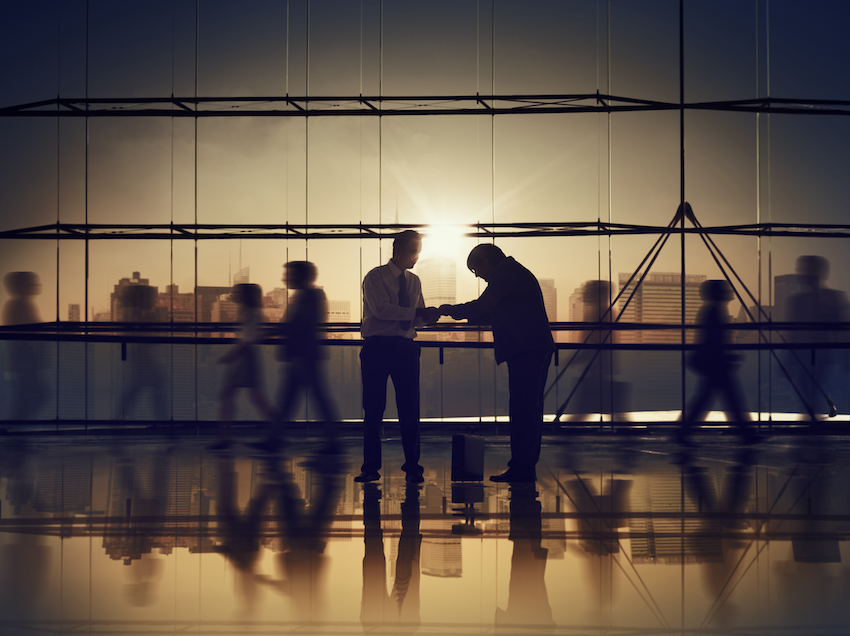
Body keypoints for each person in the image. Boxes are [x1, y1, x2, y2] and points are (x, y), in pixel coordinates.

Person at [440, 244, 555, 482]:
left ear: (487, 261)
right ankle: (524, 466)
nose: (478, 276)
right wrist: (453, 313)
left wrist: (451, 310)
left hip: (527, 349)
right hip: (530, 348)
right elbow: (489, 313)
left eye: (476, 269)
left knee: (524, 410)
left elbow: (483, 306)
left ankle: (522, 468)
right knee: (527, 409)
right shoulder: (512, 274)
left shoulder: (506, 274)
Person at [358, 230, 439, 483]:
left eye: (419, 251)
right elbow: (382, 311)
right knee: (373, 409)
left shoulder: (414, 281)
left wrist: (425, 317)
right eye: (414, 251)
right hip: (378, 346)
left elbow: (414, 317)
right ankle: (370, 468)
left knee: (410, 407)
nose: (417, 256)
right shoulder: (375, 277)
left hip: (405, 348)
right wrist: (417, 312)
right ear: (398, 251)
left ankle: (413, 466)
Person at [270, 261, 339, 453]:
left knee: (307, 399)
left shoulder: (308, 296)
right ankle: (274, 438)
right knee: (295, 399)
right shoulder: (306, 295)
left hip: (303, 356)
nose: (285, 278)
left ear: (301, 275)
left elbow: (300, 325)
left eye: (289, 274)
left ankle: (333, 442)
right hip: (304, 355)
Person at [680, 279, 752, 443]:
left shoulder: (712, 309)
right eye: (726, 289)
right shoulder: (715, 310)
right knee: (729, 399)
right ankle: (746, 433)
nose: (730, 292)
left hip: (713, 361)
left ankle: (683, 433)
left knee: (711, 399)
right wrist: (728, 355)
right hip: (716, 362)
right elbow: (714, 339)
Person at [217, 284, 275, 436]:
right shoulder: (250, 311)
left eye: (238, 293)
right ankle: (276, 432)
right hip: (247, 357)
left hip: (245, 357)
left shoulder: (251, 313)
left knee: (231, 395)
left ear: (246, 296)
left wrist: (231, 355)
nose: (235, 295)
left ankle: (224, 437)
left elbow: (248, 339)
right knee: (256, 397)